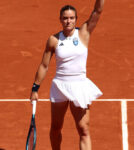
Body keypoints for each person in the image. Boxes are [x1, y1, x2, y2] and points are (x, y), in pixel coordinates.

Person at [30, 0, 105, 150]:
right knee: (56, 128)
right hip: (60, 86)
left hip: (79, 86)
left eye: (71, 18)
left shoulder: (84, 32)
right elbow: (44, 65)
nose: (68, 21)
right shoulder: (54, 40)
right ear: (60, 20)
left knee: (83, 129)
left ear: (76, 19)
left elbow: (97, 11)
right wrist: (35, 88)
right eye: (65, 18)